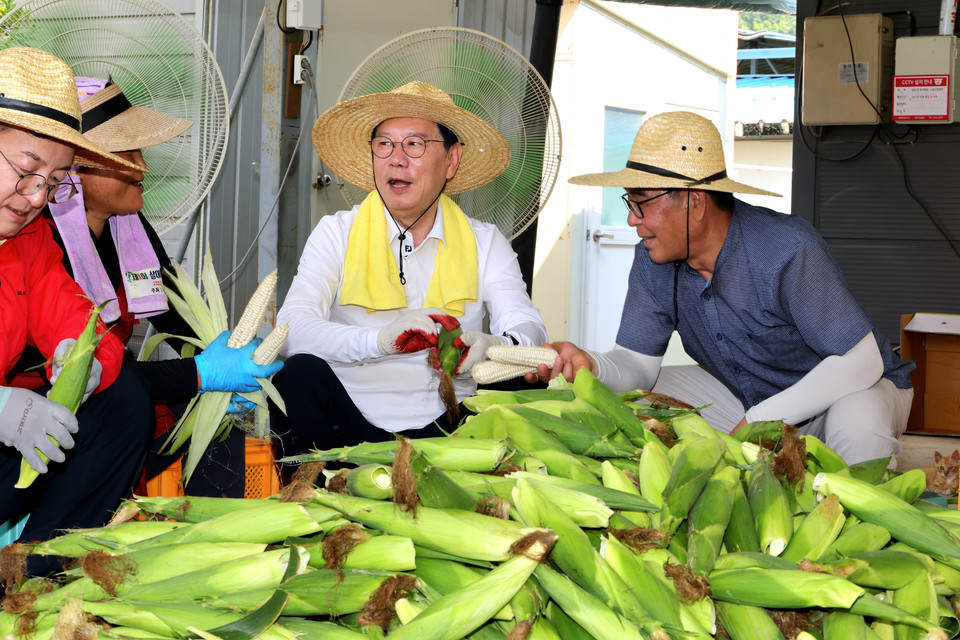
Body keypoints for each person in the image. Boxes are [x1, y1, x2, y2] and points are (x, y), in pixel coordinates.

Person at [532, 111, 914, 465]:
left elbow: (863, 362)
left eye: (641, 203)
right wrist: (593, 366)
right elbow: (638, 366)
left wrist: (758, 421)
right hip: (750, 398)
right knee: (625, 403)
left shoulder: (785, 249)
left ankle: (856, 521)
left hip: (854, 391)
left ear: (695, 202)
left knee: (857, 422)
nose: (633, 220)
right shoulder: (652, 260)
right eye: (629, 203)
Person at [12, 78, 284, 497]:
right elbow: (81, 376)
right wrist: (201, 374)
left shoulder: (131, 232)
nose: (144, 167)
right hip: (47, 413)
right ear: (76, 169)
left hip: (124, 383)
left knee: (283, 393)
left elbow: (176, 316)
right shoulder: (37, 238)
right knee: (132, 401)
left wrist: (231, 365)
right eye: (126, 154)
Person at [272, 81, 547, 454]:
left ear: (451, 160)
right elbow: (290, 332)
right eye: (384, 144)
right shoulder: (336, 232)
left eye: (415, 144)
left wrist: (492, 347)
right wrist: (380, 341)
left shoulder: (485, 241)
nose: (396, 159)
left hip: (454, 422)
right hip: (347, 422)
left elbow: (527, 327)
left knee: (525, 379)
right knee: (299, 373)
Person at [0, 47, 155, 567]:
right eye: (26, 169)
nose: (36, 195)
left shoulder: (30, 242)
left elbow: (83, 323)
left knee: (123, 401)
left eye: (54, 180)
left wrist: (83, 361)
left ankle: (31, 577)